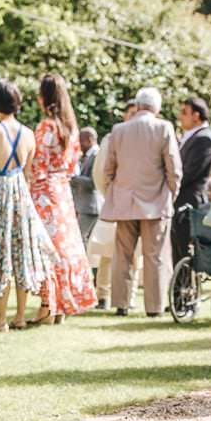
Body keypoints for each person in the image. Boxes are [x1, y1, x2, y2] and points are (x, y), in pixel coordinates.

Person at [0, 79, 56, 332]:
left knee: (1, 253)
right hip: (21, 195)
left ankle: (0, 319)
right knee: (21, 254)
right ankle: (19, 317)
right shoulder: (28, 134)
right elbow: (28, 172)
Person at [100, 87, 182, 317]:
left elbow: (108, 169)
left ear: (137, 105)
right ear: (156, 107)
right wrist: (171, 194)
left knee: (122, 255)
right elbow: (174, 168)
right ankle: (154, 308)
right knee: (154, 257)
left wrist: (112, 194)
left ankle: (121, 304)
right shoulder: (163, 128)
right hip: (156, 201)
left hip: (124, 200)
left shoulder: (119, 130)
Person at [29, 73, 97, 324]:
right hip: (63, 192)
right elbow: (72, 166)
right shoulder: (71, 128)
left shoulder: (47, 126)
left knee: (45, 248)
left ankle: (48, 304)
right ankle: (62, 303)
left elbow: (37, 162)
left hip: (44, 192)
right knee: (65, 247)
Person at [90, 100, 139, 309]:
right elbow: (99, 172)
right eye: (131, 113)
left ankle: (130, 296)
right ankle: (103, 295)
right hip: (115, 200)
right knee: (107, 250)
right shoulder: (111, 138)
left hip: (139, 204)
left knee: (136, 255)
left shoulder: (144, 140)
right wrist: (109, 194)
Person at [171, 96, 211, 265]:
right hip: (181, 201)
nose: (180, 117)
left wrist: (169, 186)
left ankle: (183, 290)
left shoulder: (204, 139)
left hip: (189, 202)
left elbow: (189, 172)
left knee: (183, 252)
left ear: (196, 116)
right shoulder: (191, 137)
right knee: (177, 250)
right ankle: (179, 290)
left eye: (184, 113)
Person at [71, 127, 101, 247]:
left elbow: (94, 183)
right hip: (85, 205)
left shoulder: (97, 155)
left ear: (89, 140)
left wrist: (72, 178)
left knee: (79, 239)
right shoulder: (87, 155)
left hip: (90, 206)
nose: (78, 144)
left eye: (80, 141)